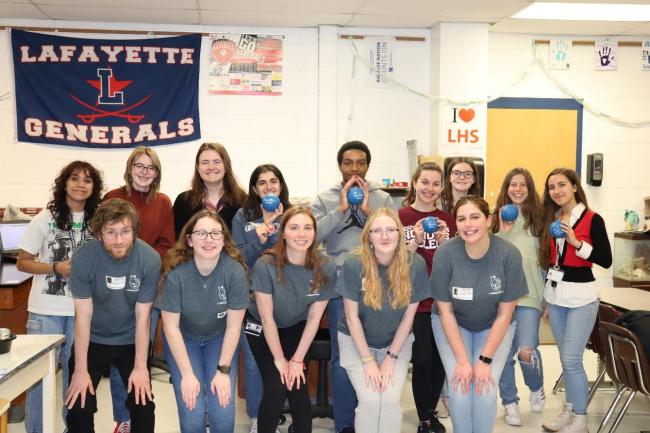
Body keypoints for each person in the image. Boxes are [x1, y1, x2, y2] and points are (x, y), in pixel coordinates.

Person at [312, 140, 394, 433]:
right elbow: (312, 236)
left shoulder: (383, 199)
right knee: (342, 358)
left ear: (367, 166)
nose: (355, 168)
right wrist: (342, 209)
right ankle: (345, 424)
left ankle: (372, 416)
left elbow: (391, 236)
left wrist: (370, 209)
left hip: (378, 288)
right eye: (349, 163)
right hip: (340, 289)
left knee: (375, 353)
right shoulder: (324, 199)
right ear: (340, 166)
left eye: (361, 163)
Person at [17, 161, 103, 433]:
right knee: (39, 380)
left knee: (76, 377)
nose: (80, 184)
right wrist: (55, 267)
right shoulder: (45, 218)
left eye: (87, 180)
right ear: (64, 183)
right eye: (74, 178)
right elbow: (22, 262)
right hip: (46, 313)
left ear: (94, 187)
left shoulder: (98, 220)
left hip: (82, 312)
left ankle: (72, 429)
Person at [430, 195, 527, 433]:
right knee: (461, 388)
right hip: (453, 322)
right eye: (461, 219)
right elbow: (445, 312)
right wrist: (463, 362)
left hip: (495, 324)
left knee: (484, 389)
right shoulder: (445, 253)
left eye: (475, 217)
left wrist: (484, 361)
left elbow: (505, 314)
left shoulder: (508, 254)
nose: (468, 224)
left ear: (489, 220)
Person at [65, 198, 158, 433]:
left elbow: (142, 317)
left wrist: (141, 368)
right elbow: (83, 316)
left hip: (130, 340)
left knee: (143, 403)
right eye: (111, 232)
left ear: (134, 231)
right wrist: (80, 370)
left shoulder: (149, 259)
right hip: (93, 339)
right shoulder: (84, 259)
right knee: (79, 403)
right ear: (99, 234)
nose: (119, 240)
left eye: (125, 232)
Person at [337, 207, 429, 433]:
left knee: (388, 401)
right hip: (356, 342)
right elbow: (351, 317)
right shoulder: (353, 264)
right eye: (377, 231)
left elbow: (409, 316)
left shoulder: (414, 264)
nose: (385, 236)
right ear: (368, 236)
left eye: (391, 229)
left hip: (396, 343)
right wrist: (368, 361)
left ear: (400, 233)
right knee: (369, 400)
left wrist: (391, 357)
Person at [246, 206, 337, 433]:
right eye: (294, 227)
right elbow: (267, 319)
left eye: (307, 228)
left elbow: (315, 318)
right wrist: (279, 359)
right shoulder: (265, 265)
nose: (301, 234)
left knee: (297, 383)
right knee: (277, 386)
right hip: (261, 325)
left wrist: (296, 360)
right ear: (283, 233)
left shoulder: (325, 267)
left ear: (315, 234)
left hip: (296, 325)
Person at [104, 146, 174, 433]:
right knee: (121, 358)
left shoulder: (163, 202)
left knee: (140, 357)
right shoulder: (112, 198)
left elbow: (167, 245)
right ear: (130, 168)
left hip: (150, 287)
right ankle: (124, 419)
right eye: (140, 166)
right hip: (116, 291)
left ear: (156, 173)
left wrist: (143, 265)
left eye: (151, 167)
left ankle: (140, 414)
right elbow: (104, 240)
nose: (145, 172)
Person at [159, 210, 249, 433]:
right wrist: (188, 376)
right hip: (184, 338)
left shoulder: (235, 272)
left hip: (219, 339)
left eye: (215, 233)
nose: (209, 240)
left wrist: (223, 372)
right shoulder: (176, 273)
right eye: (201, 233)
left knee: (222, 408)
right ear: (189, 240)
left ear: (224, 239)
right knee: (192, 410)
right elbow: (170, 327)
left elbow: (234, 326)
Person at [539, 168, 612, 433]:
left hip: (582, 297)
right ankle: (569, 409)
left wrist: (576, 243)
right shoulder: (554, 217)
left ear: (574, 187)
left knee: (571, 359)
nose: (556, 191)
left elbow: (605, 259)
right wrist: (547, 301)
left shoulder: (592, 219)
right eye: (551, 187)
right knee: (564, 357)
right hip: (556, 296)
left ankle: (580, 419)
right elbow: (553, 262)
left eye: (561, 185)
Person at [232, 164, 291, 432]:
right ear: (255, 189)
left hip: (285, 300)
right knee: (255, 362)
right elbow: (238, 258)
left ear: (281, 186)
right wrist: (262, 232)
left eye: (274, 181)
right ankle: (258, 417)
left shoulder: (291, 215)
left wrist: (276, 225)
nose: (269, 187)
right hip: (252, 302)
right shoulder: (243, 218)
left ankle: (275, 412)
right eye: (262, 183)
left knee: (282, 359)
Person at [398, 162, 456, 433]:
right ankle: (423, 419)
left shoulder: (449, 219)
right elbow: (395, 260)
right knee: (421, 360)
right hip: (414, 300)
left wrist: (444, 241)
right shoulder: (400, 216)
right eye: (425, 182)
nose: (429, 188)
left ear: (441, 187)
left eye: (435, 184)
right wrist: (415, 240)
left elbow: (454, 260)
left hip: (442, 300)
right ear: (415, 183)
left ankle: (431, 412)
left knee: (439, 359)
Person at [491, 168, 547, 427]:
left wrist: (547, 298)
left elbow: (547, 260)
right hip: (501, 297)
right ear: (506, 187)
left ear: (530, 188)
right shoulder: (496, 218)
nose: (518, 189)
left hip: (530, 294)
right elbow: (490, 255)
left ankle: (536, 387)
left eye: (523, 185)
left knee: (526, 349)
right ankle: (510, 403)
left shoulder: (540, 219)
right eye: (513, 184)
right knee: (503, 354)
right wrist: (503, 230)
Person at [173, 142, 247, 237]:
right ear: (198, 168)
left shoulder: (243, 201)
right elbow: (179, 242)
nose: (211, 167)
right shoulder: (183, 201)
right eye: (205, 162)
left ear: (226, 166)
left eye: (216, 162)